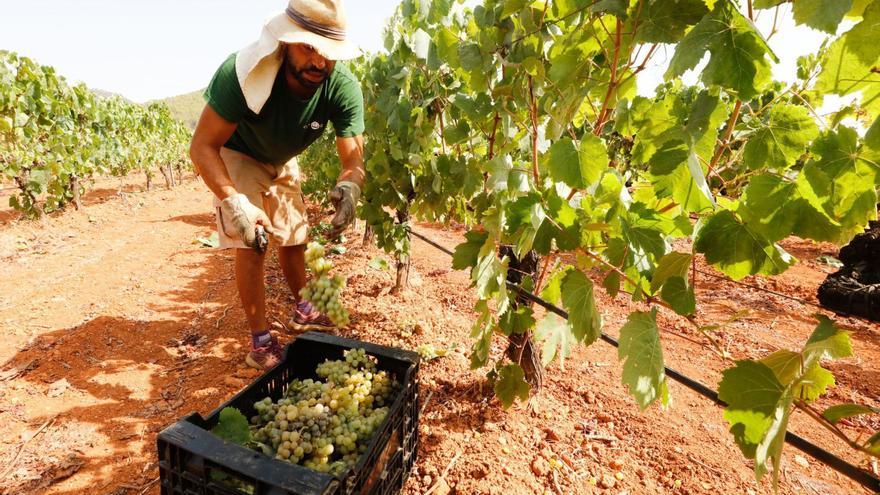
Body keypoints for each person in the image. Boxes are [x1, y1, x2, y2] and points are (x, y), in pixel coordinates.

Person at [189, 0, 365, 370]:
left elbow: (353, 159)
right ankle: (260, 340)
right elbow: (202, 146)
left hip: (283, 157)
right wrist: (233, 201)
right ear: (285, 42)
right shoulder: (241, 74)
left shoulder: (342, 87)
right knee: (254, 240)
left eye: (328, 53)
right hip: (239, 153)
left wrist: (351, 186)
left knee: (295, 234)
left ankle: (304, 307)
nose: (319, 62)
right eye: (308, 48)